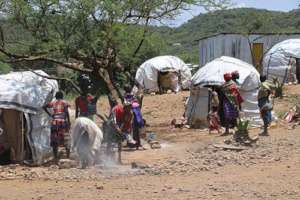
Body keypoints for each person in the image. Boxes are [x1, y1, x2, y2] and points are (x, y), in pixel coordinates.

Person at [44, 91, 71, 162]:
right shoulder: (65, 103)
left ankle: (55, 157)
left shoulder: (54, 103)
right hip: (62, 122)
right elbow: (66, 112)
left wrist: (51, 115)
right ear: (62, 96)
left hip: (55, 122)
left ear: (56, 96)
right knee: (66, 138)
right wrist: (69, 121)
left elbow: (44, 107)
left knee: (54, 139)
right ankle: (68, 156)